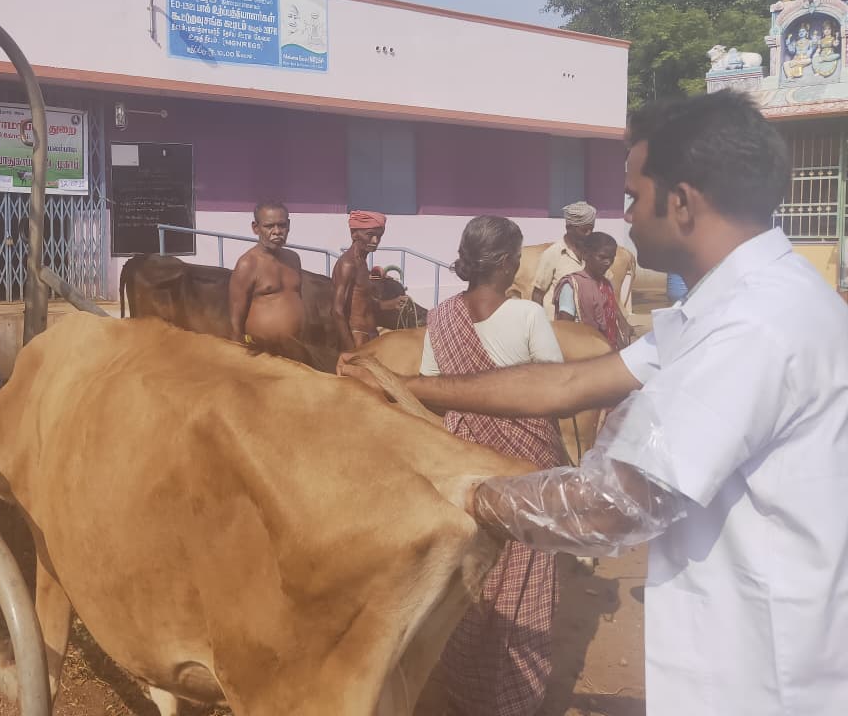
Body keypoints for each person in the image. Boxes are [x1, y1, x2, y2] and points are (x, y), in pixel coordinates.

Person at [341, 90, 848, 716]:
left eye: (634, 195)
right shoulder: (723, 309)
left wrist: (460, 495)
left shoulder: (756, 326)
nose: (626, 217)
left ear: (682, 202)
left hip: (762, 679)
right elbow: (566, 384)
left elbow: (613, 504)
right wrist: (406, 389)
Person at [418, 216, 565, 716]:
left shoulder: (440, 318)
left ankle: (463, 686)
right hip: (523, 466)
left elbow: (432, 393)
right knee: (524, 577)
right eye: (518, 257)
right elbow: (552, 391)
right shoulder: (527, 316)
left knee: (469, 575)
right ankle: (512, 697)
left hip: (464, 466)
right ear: (505, 264)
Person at [228, 202, 309, 362]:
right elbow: (235, 322)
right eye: (269, 226)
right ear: (256, 228)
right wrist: (239, 361)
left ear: (289, 225)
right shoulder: (248, 264)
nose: (277, 231)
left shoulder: (293, 259)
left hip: (296, 350)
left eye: (282, 225)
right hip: (262, 356)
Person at [331, 210, 401, 350]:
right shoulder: (347, 264)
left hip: (370, 335)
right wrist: (352, 350)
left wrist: (392, 304)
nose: (375, 241)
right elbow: (337, 311)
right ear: (354, 234)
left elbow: (362, 303)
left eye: (379, 236)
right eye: (370, 235)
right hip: (358, 338)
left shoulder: (361, 262)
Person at [553, 231, 632, 349]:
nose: (608, 262)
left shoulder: (606, 285)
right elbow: (565, 329)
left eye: (611, 258)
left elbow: (612, 323)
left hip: (607, 353)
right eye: (602, 257)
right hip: (583, 353)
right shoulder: (572, 286)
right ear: (585, 254)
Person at [531, 200, 596, 317]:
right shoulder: (553, 254)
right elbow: (537, 294)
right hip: (557, 327)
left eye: (591, 229)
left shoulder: (593, 254)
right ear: (569, 227)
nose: (589, 233)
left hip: (585, 328)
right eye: (584, 230)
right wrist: (541, 324)